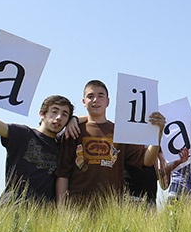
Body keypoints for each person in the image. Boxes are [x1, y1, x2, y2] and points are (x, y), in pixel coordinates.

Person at [0, 60, 74, 207]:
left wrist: (76, 120)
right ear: (42, 113)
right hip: (12, 210)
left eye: (65, 114)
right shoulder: (22, 134)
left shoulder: (63, 145)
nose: (59, 117)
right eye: (54, 111)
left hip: (44, 219)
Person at [55, 79, 165, 208]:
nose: (95, 100)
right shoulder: (74, 131)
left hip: (111, 209)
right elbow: (63, 174)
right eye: (90, 96)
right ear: (84, 102)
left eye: (100, 96)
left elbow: (147, 160)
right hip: (77, 208)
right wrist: (61, 210)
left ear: (108, 101)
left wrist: (158, 133)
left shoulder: (120, 133)